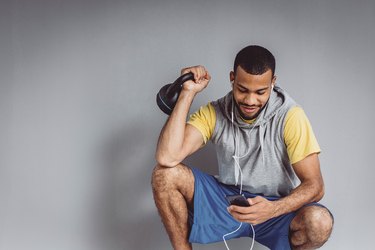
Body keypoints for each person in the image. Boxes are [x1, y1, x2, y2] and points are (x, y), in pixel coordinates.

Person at [152, 45, 334, 250]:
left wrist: (273, 209)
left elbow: (315, 185)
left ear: (273, 82)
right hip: (227, 201)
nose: (250, 100)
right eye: (242, 89)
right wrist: (187, 93)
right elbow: (167, 157)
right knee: (164, 175)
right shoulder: (215, 112)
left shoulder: (291, 116)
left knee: (319, 221)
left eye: (260, 92)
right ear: (232, 78)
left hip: (274, 207)